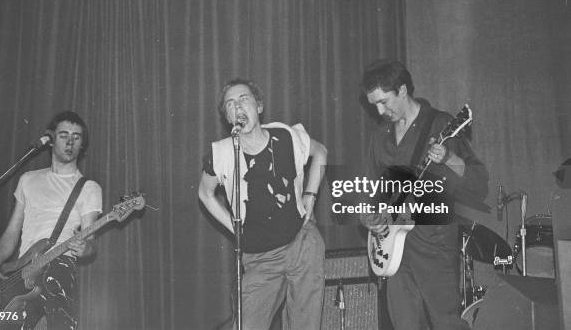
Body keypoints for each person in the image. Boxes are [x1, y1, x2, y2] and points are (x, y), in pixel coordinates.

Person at [359, 61, 488, 330]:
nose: (380, 111)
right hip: (393, 249)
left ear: (403, 89)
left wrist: (450, 157)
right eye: (375, 106)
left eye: (384, 102)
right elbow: (370, 192)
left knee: (446, 323)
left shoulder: (440, 125)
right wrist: (368, 217)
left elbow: (478, 183)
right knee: (404, 324)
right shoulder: (380, 135)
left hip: (434, 245)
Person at [199, 78, 328, 330]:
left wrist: (310, 195)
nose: (237, 107)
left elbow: (320, 151)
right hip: (260, 256)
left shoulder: (285, 136)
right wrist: (234, 229)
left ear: (258, 107)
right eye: (230, 104)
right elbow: (205, 194)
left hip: (301, 243)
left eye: (243, 99)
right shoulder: (221, 153)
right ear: (227, 117)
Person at [0, 111, 103, 330]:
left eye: (76, 137)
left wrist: (84, 247)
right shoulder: (28, 180)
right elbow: (12, 232)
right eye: (64, 134)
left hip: (59, 267)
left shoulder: (88, 188)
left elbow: (91, 243)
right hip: (22, 271)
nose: (70, 141)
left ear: (82, 144)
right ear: (50, 139)